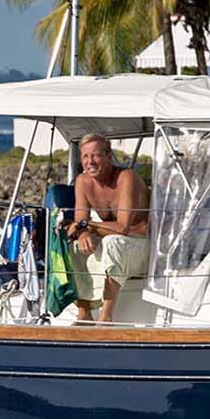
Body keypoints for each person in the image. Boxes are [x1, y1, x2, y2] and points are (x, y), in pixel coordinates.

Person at [66, 133, 150, 323]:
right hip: (116, 242)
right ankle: (84, 314)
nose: (90, 162)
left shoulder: (126, 177)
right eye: (86, 157)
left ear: (108, 156)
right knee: (75, 245)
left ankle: (106, 316)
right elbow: (81, 222)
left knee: (113, 242)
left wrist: (87, 226)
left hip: (142, 245)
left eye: (96, 155)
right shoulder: (83, 181)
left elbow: (123, 228)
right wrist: (83, 232)